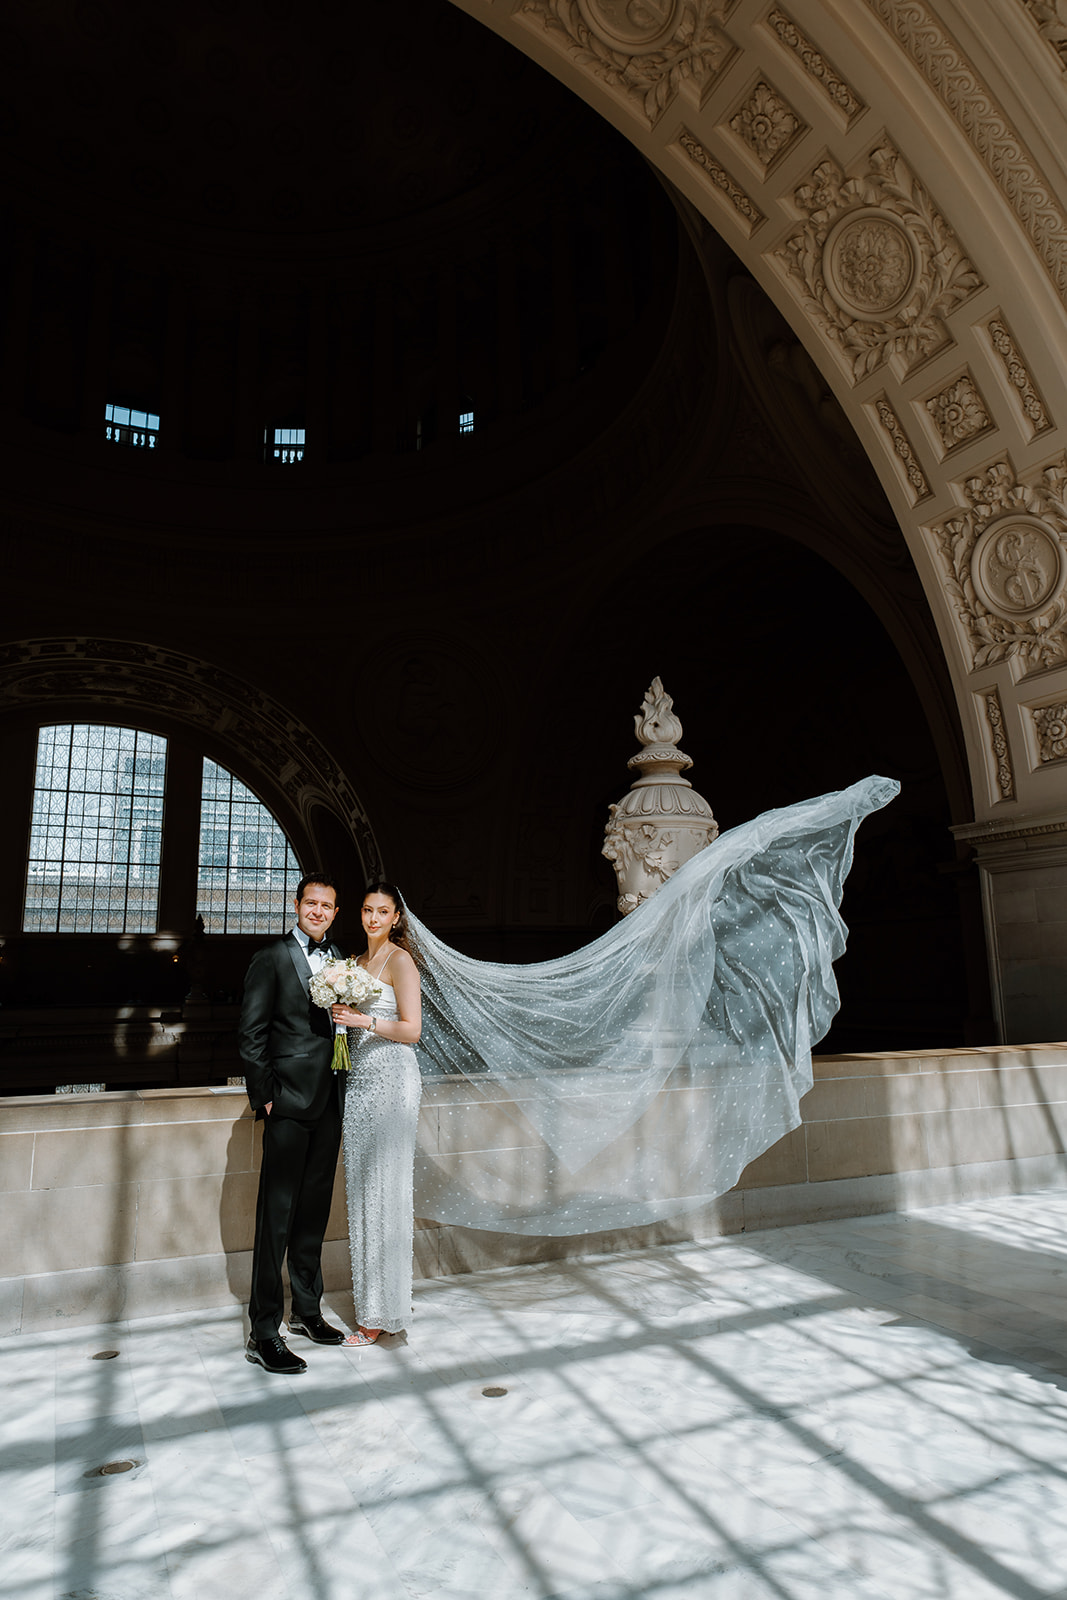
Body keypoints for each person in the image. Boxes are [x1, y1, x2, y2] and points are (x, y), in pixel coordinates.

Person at [238, 873, 348, 1374]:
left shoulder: (342, 959)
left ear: (334, 912)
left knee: (312, 1215)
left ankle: (307, 1311)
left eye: (327, 906)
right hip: (286, 1105)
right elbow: (252, 1034)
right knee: (275, 1219)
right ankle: (264, 1331)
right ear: (297, 905)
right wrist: (266, 1098)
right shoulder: (271, 959)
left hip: (329, 1104)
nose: (319, 911)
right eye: (312, 903)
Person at [330, 882, 422, 1346]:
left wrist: (363, 1020)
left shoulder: (400, 961)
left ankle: (382, 1313)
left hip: (393, 1080)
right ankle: (379, 1301)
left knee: (386, 1192)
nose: (373, 919)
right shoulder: (355, 965)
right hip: (361, 1082)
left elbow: (412, 1030)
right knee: (363, 1192)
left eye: (382, 912)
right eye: (367, 910)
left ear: (396, 919)